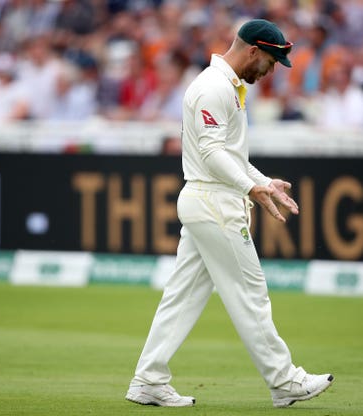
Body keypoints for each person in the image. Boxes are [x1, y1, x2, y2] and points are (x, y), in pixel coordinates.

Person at [125, 19, 334, 408]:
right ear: (254, 51)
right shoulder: (212, 87)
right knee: (249, 292)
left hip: (210, 199)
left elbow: (231, 155)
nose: (271, 71)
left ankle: (148, 380)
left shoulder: (228, 86)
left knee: (182, 296)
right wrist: (249, 187)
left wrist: (262, 180)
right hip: (214, 203)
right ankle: (284, 380)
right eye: (271, 62)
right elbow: (210, 153)